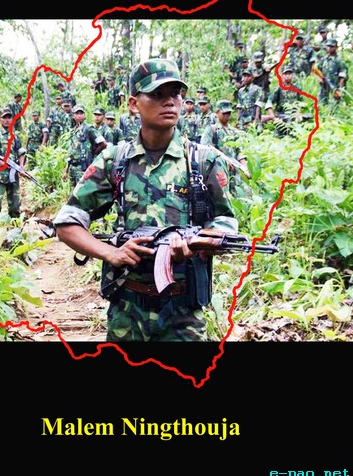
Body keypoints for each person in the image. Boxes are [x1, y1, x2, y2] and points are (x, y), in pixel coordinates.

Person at [53, 58, 238, 342]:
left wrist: (196, 243)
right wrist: (110, 253)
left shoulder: (203, 160)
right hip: (127, 311)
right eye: (156, 94)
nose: (169, 102)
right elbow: (66, 223)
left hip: (183, 314)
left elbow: (226, 223)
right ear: (133, 104)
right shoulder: (115, 160)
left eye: (175, 93)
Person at [201, 99, 249, 195]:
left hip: (235, 172)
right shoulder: (211, 130)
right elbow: (206, 148)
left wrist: (245, 168)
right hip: (218, 172)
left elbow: (240, 152)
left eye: (229, 113)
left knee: (244, 194)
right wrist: (223, 158)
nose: (227, 116)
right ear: (217, 112)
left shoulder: (234, 132)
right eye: (224, 113)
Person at [62, 104, 107, 188]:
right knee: (72, 192)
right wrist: (66, 170)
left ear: (84, 115)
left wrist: (92, 153)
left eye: (81, 113)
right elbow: (71, 153)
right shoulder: (73, 131)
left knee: (82, 191)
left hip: (83, 167)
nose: (79, 115)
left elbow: (103, 143)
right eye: (77, 113)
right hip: (73, 167)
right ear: (73, 115)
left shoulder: (88, 128)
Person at [315, 39, 348, 105]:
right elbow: (318, 70)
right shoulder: (324, 59)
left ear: (336, 47)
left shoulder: (339, 60)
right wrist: (319, 78)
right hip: (324, 87)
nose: (329, 48)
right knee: (320, 104)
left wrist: (340, 89)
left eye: (332, 46)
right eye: (328, 46)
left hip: (334, 86)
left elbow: (343, 75)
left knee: (335, 105)